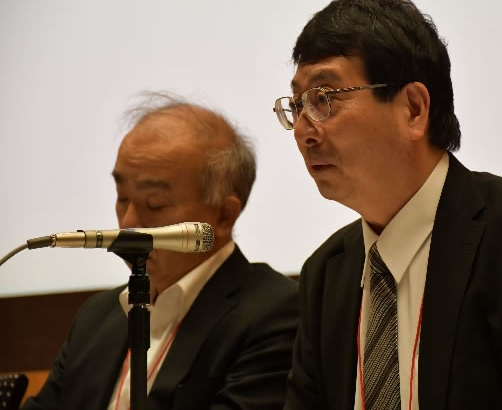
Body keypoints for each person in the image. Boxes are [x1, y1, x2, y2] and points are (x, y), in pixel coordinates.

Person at [275, 0, 502, 409]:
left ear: (413, 108)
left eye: (324, 99)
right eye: (297, 105)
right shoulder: (326, 273)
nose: (303, 130)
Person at [24, 94, 299, 410]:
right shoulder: (96, 317)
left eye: (154, 204)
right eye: (122, 198)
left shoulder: (275, 314)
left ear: (224, 216)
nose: (129, 224)